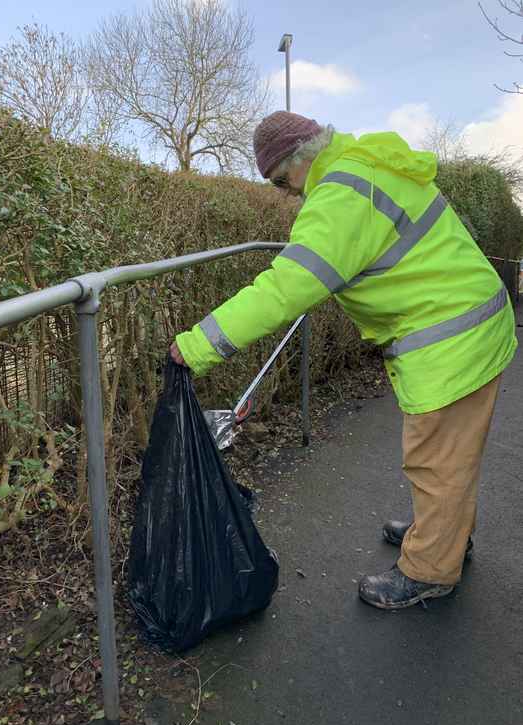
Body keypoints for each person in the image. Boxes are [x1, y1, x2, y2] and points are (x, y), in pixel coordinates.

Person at [170, 110, 517, 610]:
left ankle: (429, 571)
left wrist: (199, 345)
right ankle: (441, 536)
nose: (284, 192)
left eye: (279, 180)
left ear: (298, 160)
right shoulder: (365, 167)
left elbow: (285, 287)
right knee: (452, 454)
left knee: (436, 461)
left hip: (452, 342)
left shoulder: (341, 196)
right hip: (467, 326)